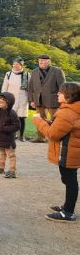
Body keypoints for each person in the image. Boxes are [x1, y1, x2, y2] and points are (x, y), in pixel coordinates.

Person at [32, 82, 80, 222]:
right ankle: (67, 206)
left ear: (68, 95)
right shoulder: (72, 109)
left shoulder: (68, 112)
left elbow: (53, 134)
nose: (58, 94)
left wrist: (38, 121)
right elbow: (61, 128)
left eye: (60, 92)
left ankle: (68, 213)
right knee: (68, 179)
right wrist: (47, 122)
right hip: (71, 151)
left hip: (68, 152)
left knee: (70, 180)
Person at [28, 54, 66, 142]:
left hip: (53, 100)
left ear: (49, 62)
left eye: (43, 61)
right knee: (39, 119)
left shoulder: (57, 71)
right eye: (40, 61)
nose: (41, 62)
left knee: (55, 120)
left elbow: (63, 86)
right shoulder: (34, 71)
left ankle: (55, 138)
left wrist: (62, 98)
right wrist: (31, 100)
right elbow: (31, 88)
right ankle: (40, 137)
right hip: (38, 99)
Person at [0, 92, 21, 178]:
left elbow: (17, 125)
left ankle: (12, 170)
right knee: (1, 153)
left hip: (7, 138)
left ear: (8, 103)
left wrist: (5, 129)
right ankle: (1, 167)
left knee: (11, 154)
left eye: (2, 102)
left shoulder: (11, 113)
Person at [1, 58, 30, 141]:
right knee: (10, 118)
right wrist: (3, 97)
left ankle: (21, 135)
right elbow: (4, 86)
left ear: (21, 65)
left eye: (17, 64)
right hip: (10, 98)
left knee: (21, 118)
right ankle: (12, 135)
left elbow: (30, 88)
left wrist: (30, 99)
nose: (15, 66)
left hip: (22, 99)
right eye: (14, 64)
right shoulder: (8, 74)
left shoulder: (27, 75)